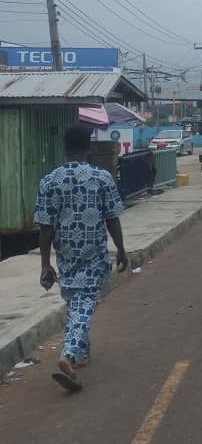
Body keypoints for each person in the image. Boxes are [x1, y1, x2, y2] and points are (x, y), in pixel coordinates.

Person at [34, 125, 129, 392]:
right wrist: (121, 249)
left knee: (76, 304)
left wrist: (44, 263)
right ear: (89, 147)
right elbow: (112, 218)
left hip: (66, 255)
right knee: (85, 305)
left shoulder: (50, 180)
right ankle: (68, 354)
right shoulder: (102, 177)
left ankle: (82, 354)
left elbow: (45, 227)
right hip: (94, 254)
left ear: (65, 148)